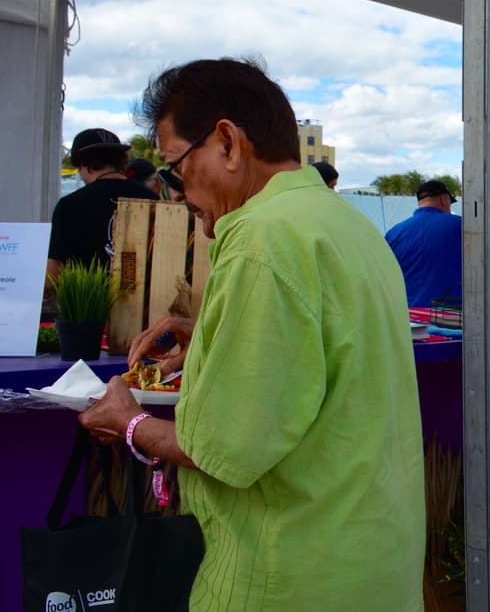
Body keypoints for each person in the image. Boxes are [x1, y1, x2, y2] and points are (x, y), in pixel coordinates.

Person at [79, 57, 425, 610]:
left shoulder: (261, 239)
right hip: (370, 558)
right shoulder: (346, 223)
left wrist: (130, 422)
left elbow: (224, 449)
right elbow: (324, 357)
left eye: (176, 168)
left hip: (287, 570)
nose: (176, 191)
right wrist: (216, 335)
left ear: (227, 143)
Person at [47, 128, 158, 286]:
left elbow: (54, 273)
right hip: (146, 305)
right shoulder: (152, 199)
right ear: (121, 160)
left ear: (82, 163)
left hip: (88, 308)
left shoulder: (69, 205)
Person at [385, 179, 463, 308]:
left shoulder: (393, 233)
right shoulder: (460, 225)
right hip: (449, 316)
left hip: (407, 316)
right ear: (444, 200)